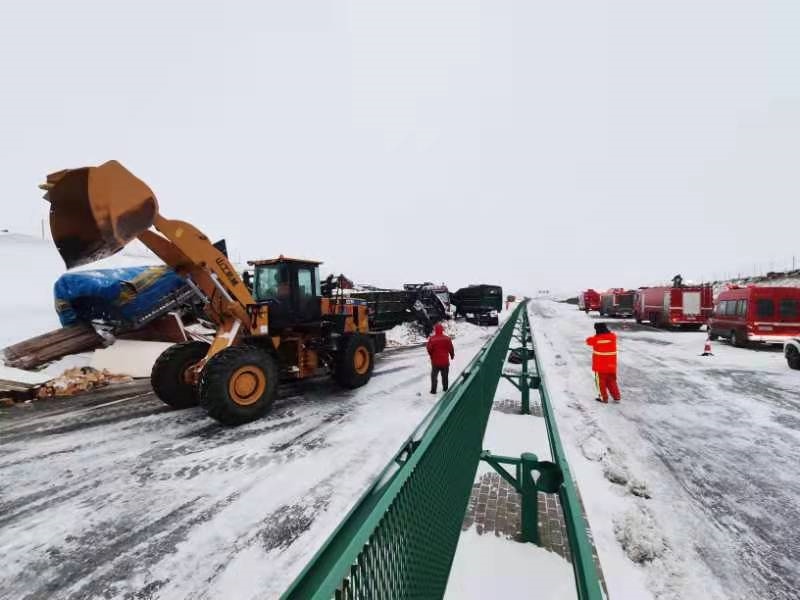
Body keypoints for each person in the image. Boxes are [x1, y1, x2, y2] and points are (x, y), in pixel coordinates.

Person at [585, 322, 621, 403]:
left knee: (600, 382)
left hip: (600, 366)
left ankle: (603, 398)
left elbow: (588, 341)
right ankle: (616, 396)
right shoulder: (612, 337)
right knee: (612, 381)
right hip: (611, 365)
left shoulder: (597, 339)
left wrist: (596, 336)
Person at [427, 322, 455, 394]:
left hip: (435, 362)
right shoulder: (447, 338)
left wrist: (431, 356)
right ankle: (445, 389)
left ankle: (433, 390)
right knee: (445, 376)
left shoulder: (432, 339)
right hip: (445, 362)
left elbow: (429, 349)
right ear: (442, 330)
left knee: (434, 376)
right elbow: (451, 348)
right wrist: (452, 355)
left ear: (435, 330)